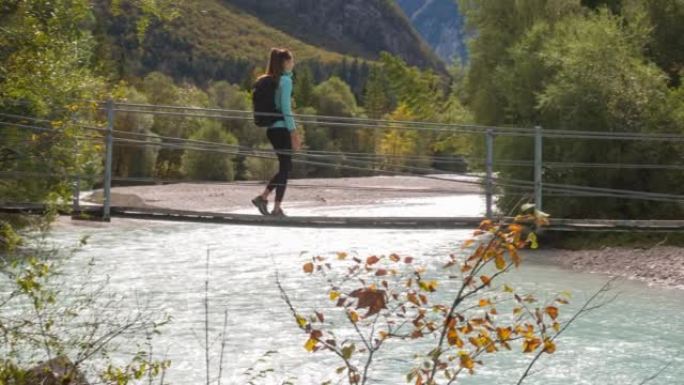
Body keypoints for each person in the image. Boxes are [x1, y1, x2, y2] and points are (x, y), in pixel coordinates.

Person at [251, 48, 301, 216]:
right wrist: (294, 133)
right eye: (291, 61)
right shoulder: (285, 81)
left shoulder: (273, 80)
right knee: (285, 168)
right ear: (285, 63)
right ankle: (276, 207)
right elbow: (286, 109)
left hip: (272, 129)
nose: (293, 64)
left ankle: (265, 198)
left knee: (285, 168)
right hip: (282, 129)